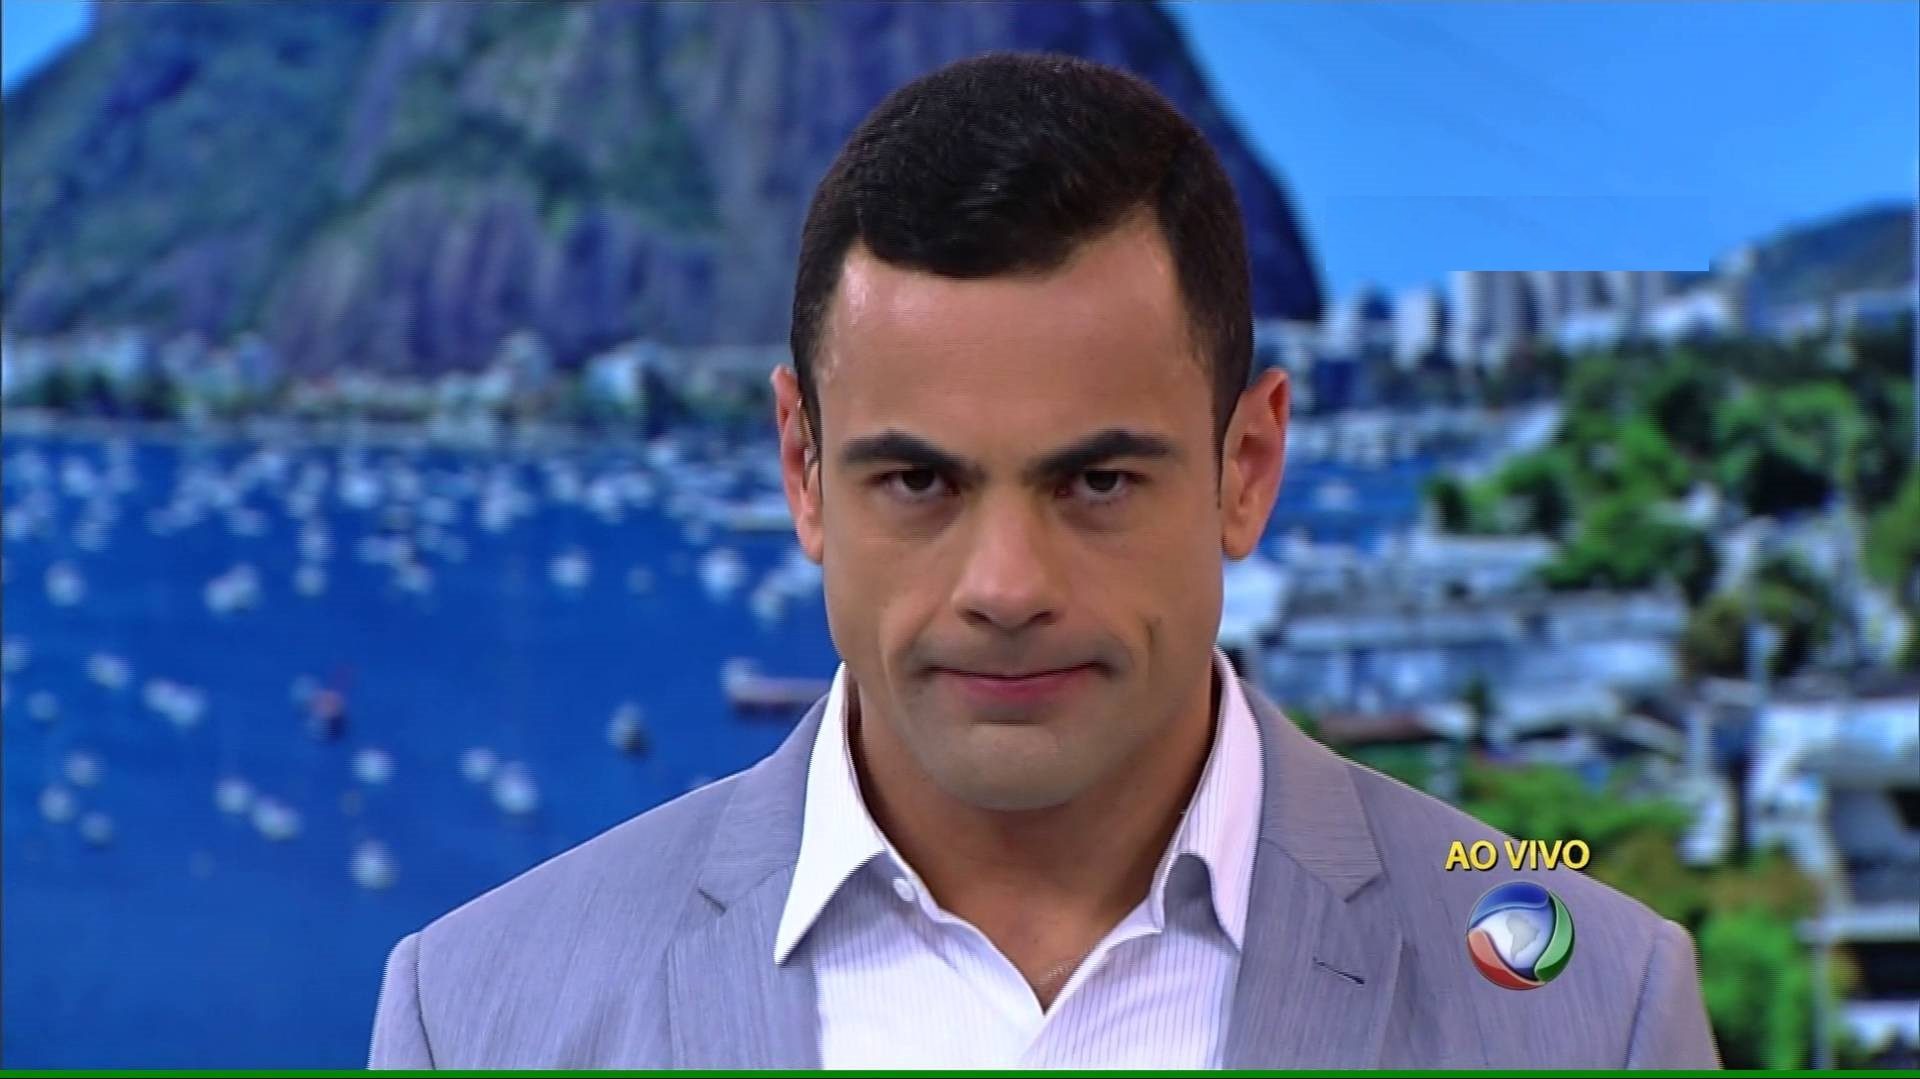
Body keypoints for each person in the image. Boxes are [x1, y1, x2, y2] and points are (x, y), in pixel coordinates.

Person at [369, 51, 1720, 1069]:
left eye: (1097, 482)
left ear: (1249, 467)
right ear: (803, 471)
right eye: (919, 482)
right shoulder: (477, 1017)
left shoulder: (1593, 1012)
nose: (1006, 587)